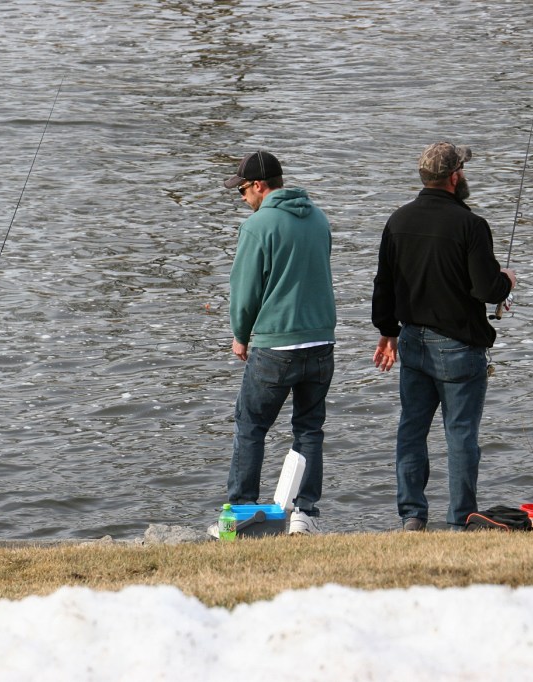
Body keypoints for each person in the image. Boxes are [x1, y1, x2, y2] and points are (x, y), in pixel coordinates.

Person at [371, 142, 516, 531]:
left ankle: (412, 517)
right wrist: (506, 282)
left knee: (411, 431)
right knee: (461, 436)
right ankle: (459, 520)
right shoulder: (471, 225)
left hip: (412, 343)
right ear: (453, 178)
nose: (463, 176)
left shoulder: (397, 221)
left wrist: (387, 332)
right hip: (458, 348)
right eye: (462, 171)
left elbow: (383, 284)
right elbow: (487, 290)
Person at [220, 150, 337, 535]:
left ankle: (242, 512)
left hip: (276, 345)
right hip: (320, 342)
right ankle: (304, 515)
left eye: (241, 189)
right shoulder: (319, 218)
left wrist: (241, 334)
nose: (241, 197)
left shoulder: (258, 225)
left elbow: (245, 289)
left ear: (258, 186)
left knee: (251, 424)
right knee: (309, 428)